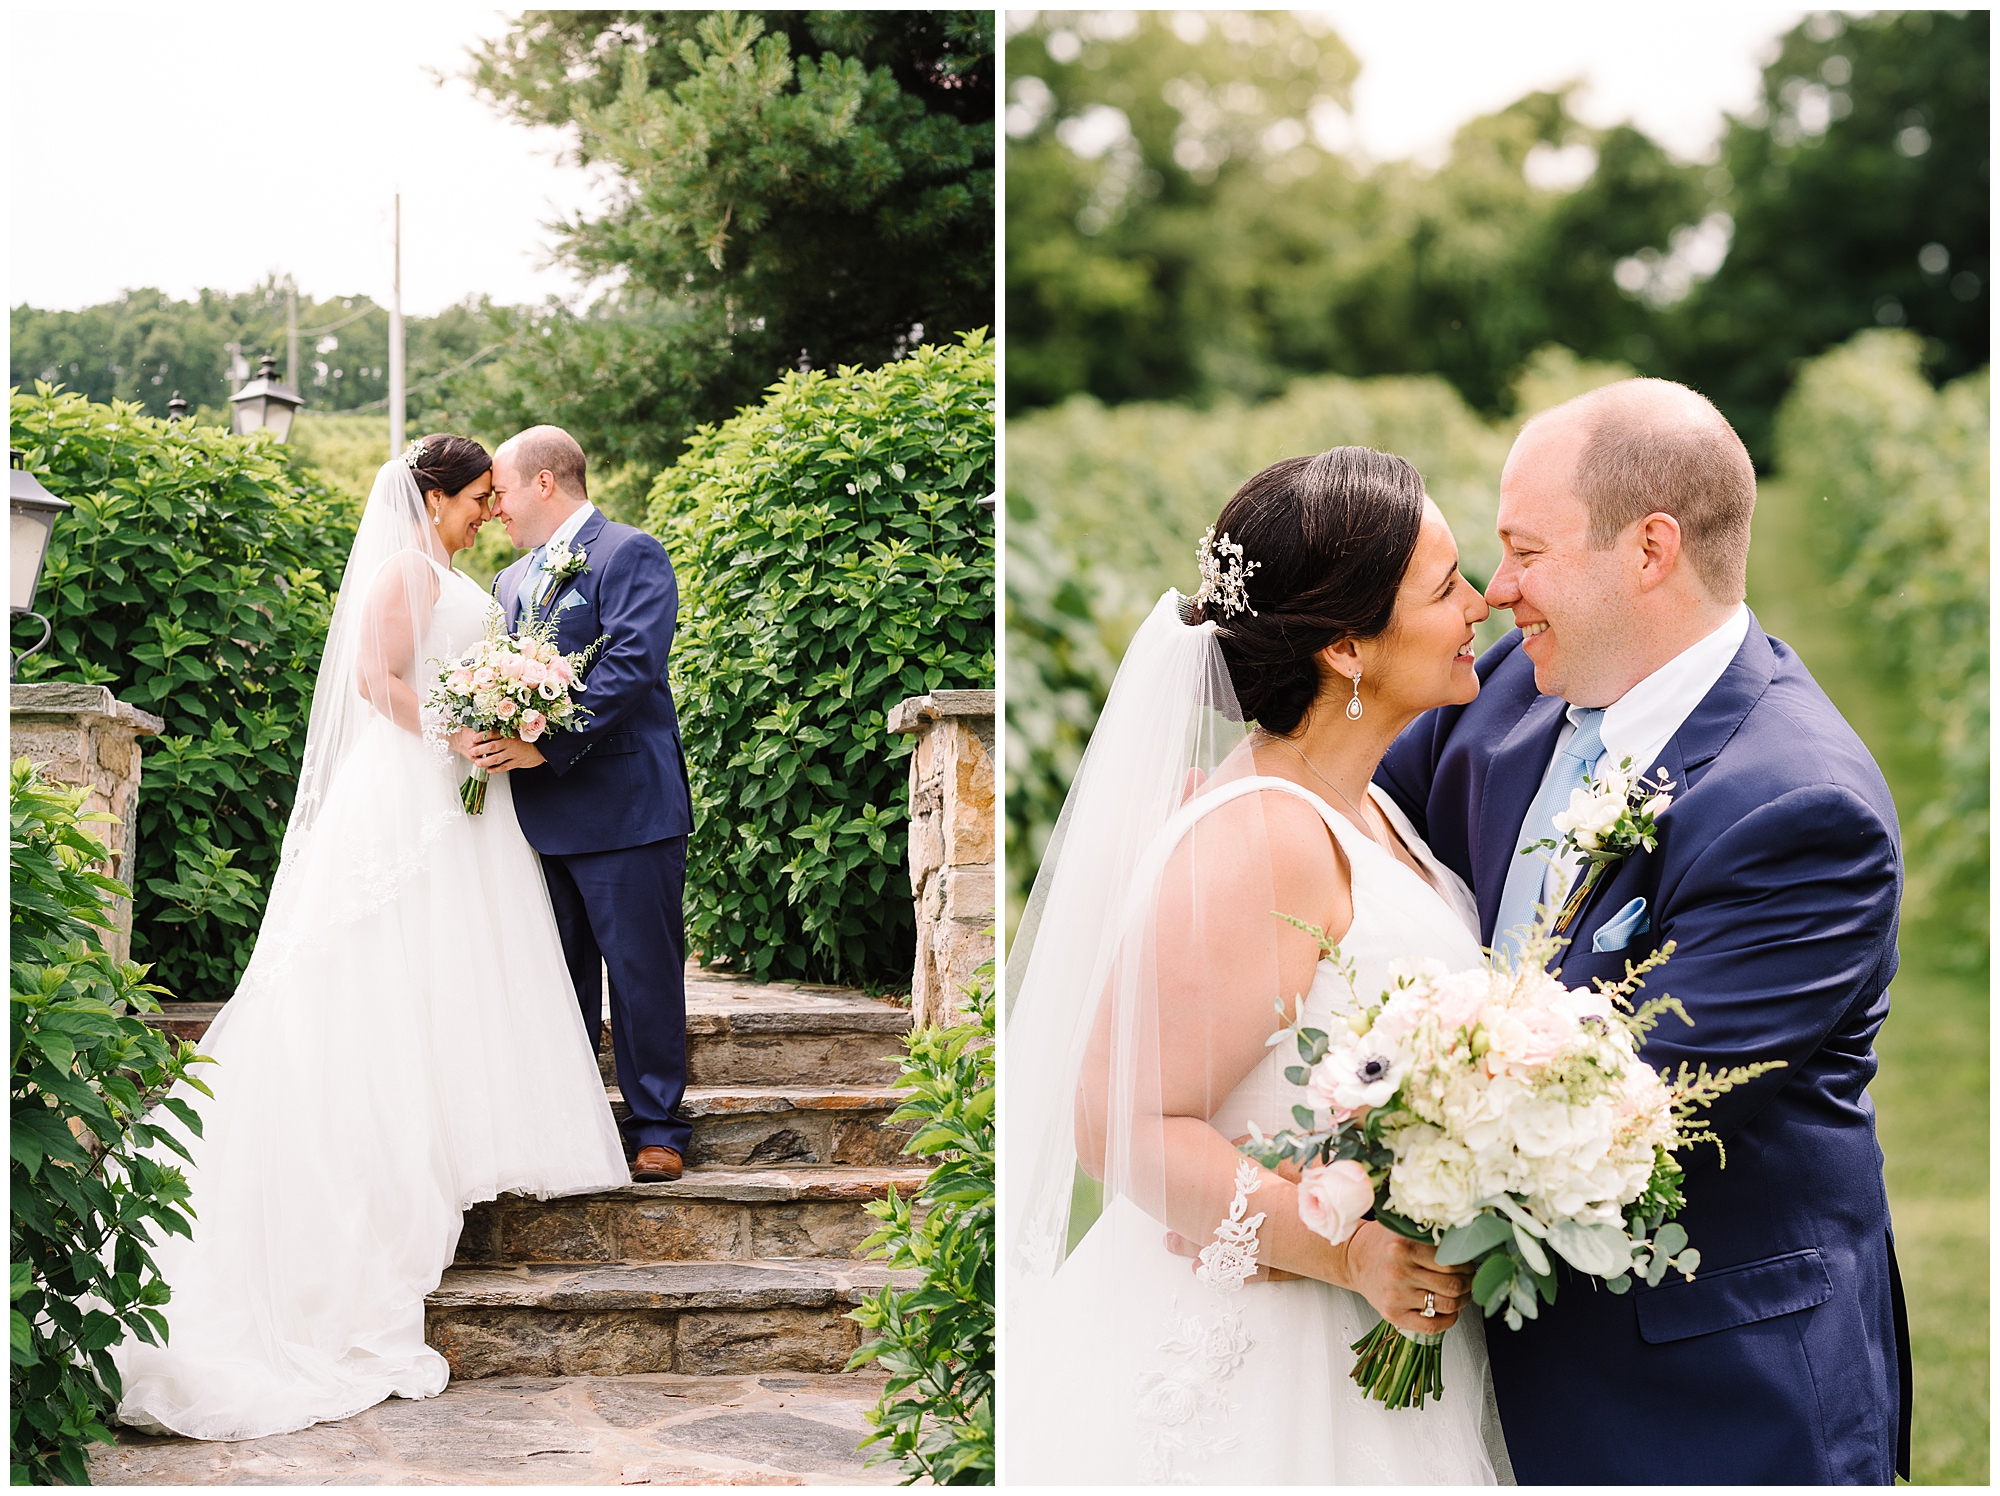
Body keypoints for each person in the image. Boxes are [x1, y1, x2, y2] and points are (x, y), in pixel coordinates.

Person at [1375, 378, 1909, 1484]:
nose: (1494, 590)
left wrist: (1314, 1197)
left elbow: (1600, 1107)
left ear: (1650, 548)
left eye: (1523, 550)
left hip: (1702, 1396)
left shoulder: (1799, 812)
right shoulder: (1497, 700)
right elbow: (1336, 842)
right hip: (1469, 1387)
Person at [1004, 447, 1512, 1484]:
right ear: (1342, 645)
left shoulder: (1366, 805)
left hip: (1376, 1329)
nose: (1479, 602)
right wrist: (1349, 1249)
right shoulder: (1261, 836)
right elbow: (1122, 1124)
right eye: (1441, 584)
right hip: (1273, 1349)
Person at [114, 438, 630, 1441]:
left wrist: (493, 718)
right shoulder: (402, 568)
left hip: (459, 789)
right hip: (409, 789)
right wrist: (454, 735)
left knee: (460, 959)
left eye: (493, 497)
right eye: (477, 497)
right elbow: (372, 677)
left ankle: (460, 1122)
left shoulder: (448, 571)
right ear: (433, 495)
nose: (487, 511)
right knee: (391, 962)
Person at [477, 426, 695, 1181]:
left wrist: (549, 745)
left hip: (627, 808)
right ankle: (566, 1124)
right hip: (534, 815)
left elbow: (634, 661)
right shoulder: (506, 583)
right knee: (555, 979)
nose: (494, 506)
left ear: (544, 483)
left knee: (642, 974)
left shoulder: (629, 553)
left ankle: (658, 1127)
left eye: (501, 490)